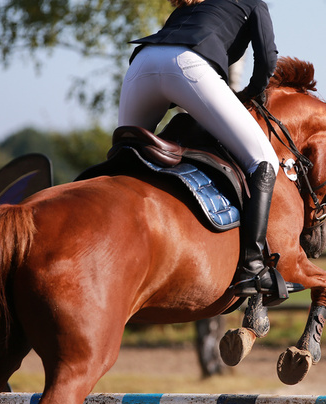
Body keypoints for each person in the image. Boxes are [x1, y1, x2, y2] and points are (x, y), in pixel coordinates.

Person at [117, 0, 284, 297]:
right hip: (187, 65)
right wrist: (251, 94)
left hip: (141, 64)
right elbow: (268, 61)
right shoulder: (253, 3)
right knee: (264, 160)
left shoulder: (192, 6)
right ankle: (253, 267)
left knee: (122, 157)